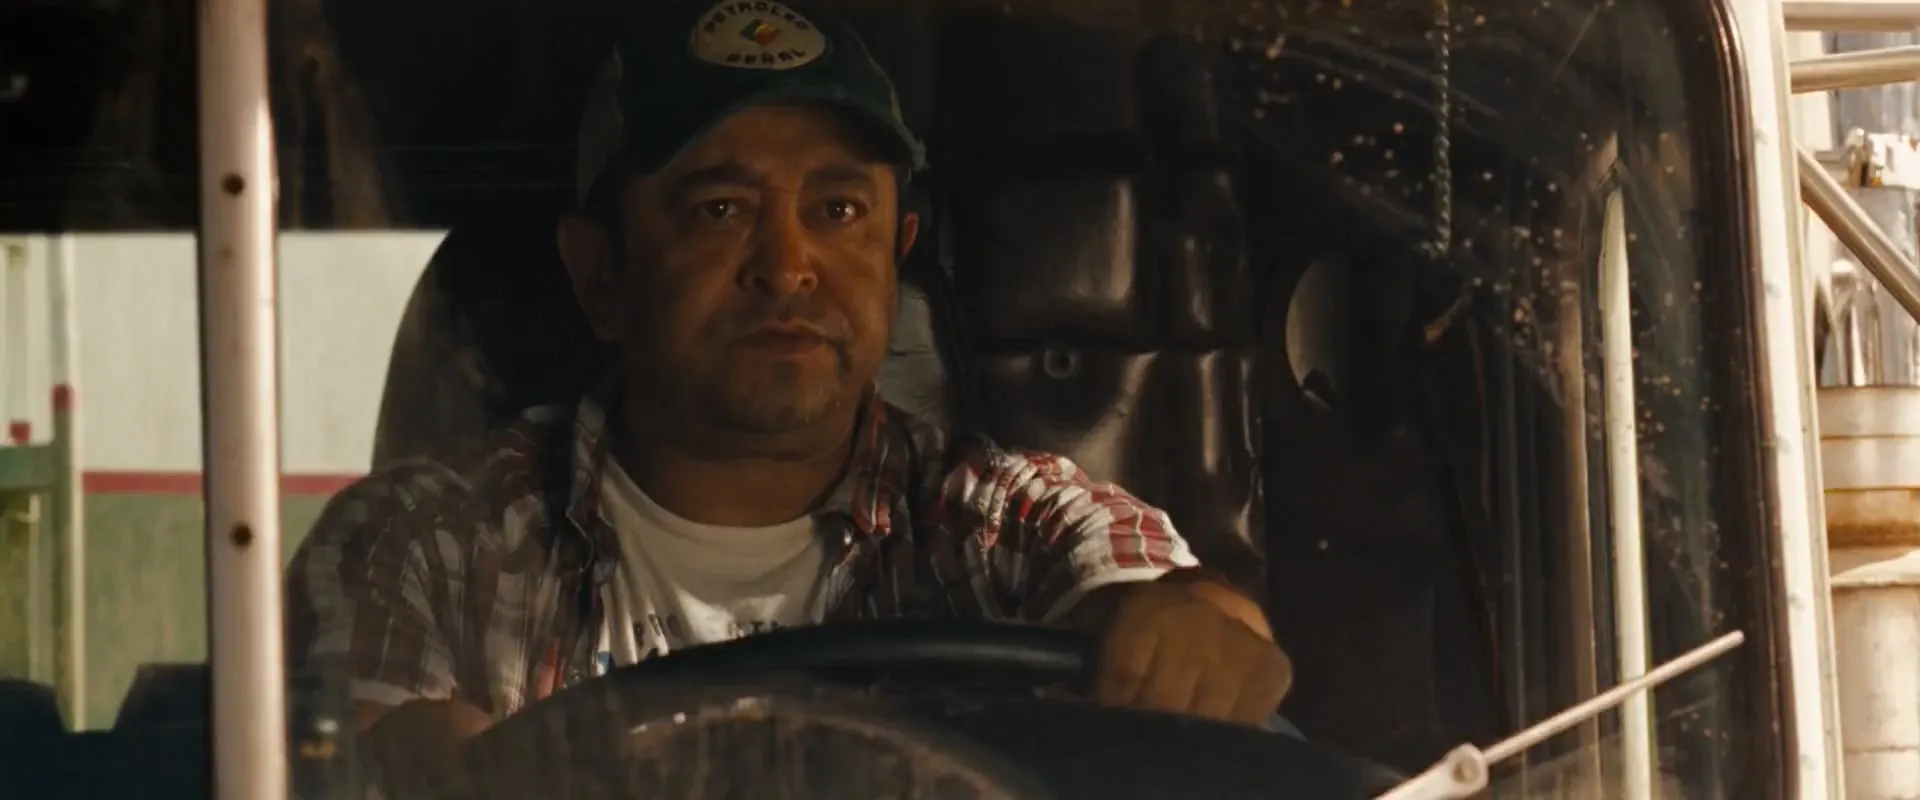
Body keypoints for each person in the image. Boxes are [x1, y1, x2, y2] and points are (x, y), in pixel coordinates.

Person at [287, 0, 1292, 791]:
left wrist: (1197, 632)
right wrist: (405, 758)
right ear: (601, 275)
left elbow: (1166, 604)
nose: (788, 263)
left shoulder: (1003, 523)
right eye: (720, 208)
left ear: (895, 256)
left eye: (839, 209)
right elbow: (359, 744)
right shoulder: (426, 541)